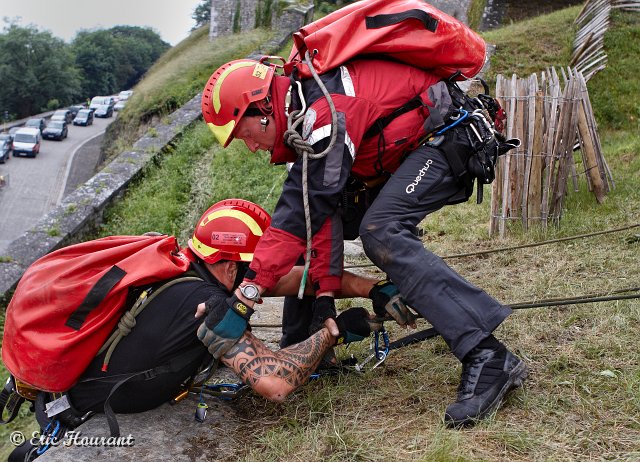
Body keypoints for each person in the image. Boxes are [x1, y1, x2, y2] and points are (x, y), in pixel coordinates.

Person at [200, 57, 528, 427]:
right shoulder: (303, 122)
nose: (251, 147)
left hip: (448, 137)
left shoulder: (324, 113)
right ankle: (310, 345)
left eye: (243, 134)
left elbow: (298, 211)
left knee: (380, 230)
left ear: (260, 108)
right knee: (318, 221)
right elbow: (316, 222)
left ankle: (487, 356)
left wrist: (245, 296)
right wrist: (324, 302)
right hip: (404, 152)